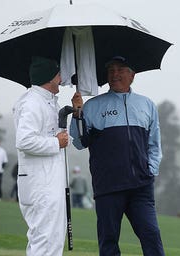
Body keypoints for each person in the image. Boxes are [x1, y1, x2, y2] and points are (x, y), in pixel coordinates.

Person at [70, 55, 165, 256]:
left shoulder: (146, 105)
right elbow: (79, 142)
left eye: (120, 69)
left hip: (140, 185)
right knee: (108, 241)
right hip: (108, 186)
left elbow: (154, 144)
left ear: (132, 75)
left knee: (151, 235)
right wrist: (77, 114)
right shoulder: (93, 106)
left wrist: (151, 170)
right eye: (111, 70)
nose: (115, 74)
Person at [13, 56, 69, 255]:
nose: (62, 78)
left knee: (52, 238)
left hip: (47, 180)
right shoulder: (33, 103)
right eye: (58, 74)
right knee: (45, 239)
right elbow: (25, 140)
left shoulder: (45, 101)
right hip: (41, 183)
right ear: (49, 77)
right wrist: (56, 142)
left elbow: (47, 133)